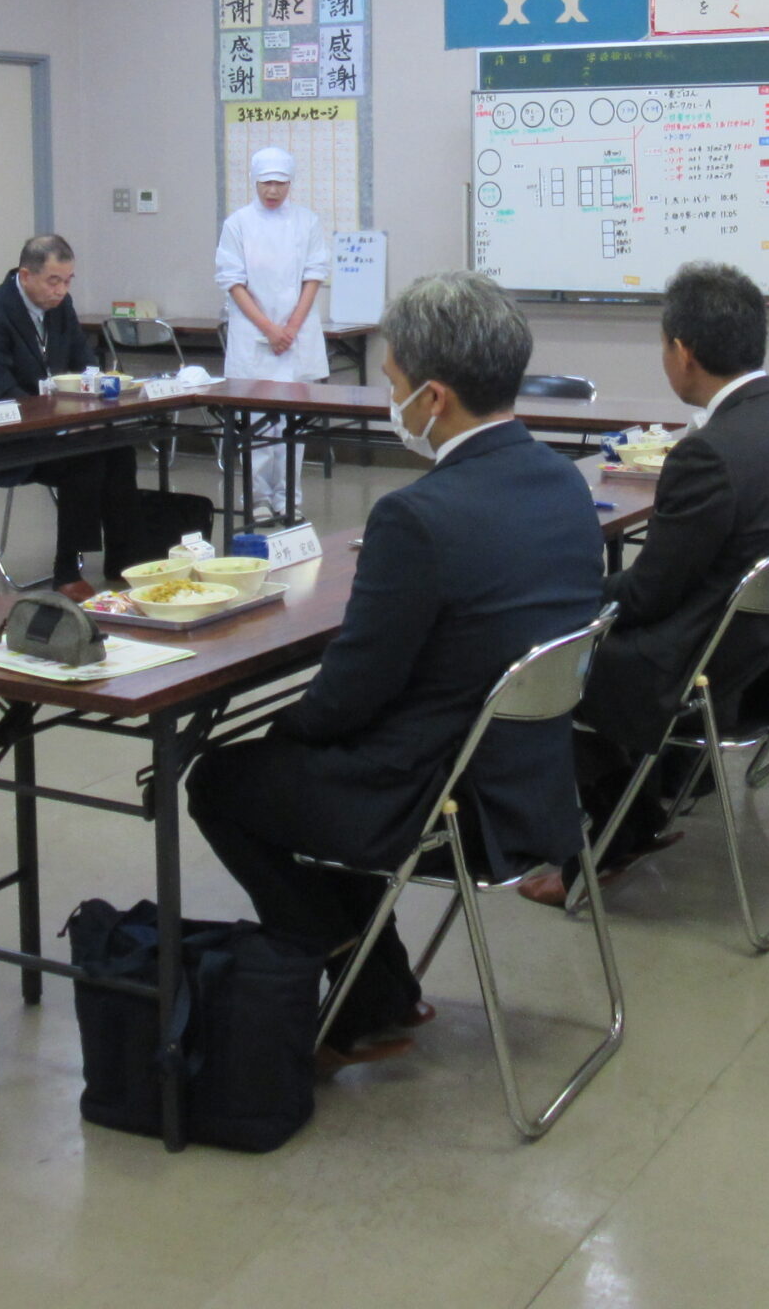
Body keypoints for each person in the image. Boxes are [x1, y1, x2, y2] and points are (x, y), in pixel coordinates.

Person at [187, 270, 601, 1071]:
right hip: (536, 781)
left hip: (443, 797)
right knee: (313, 768)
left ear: (434, 397)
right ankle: (375, 989)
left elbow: (352, 691)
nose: (392, 400)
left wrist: (283, 728)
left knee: (222, 780)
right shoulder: (563, 482)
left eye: (393, 382)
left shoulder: (416, 516)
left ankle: (356, 984)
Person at [531, 261, 769, 900]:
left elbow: (648, 594)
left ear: (683, 351)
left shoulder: (708, 452)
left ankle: (607, 842)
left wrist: (569, 601)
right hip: (767, 651)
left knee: (547, 652)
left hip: (703, 663)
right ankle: (644, 806)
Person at [0, 233, 150, 590]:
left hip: (58, 429)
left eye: (67, 281)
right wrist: (59, 424)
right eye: (53, 281)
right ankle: (67, 571)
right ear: (25, 275)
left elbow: (84, 364)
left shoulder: (61, 307)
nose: (61, 290)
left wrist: (93, 395)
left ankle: (124, 561)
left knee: (119, 451)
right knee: (84, 460)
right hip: (6, 438)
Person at [215, 145, 330, 522]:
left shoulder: (307, 222)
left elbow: (314, 275)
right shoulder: (238, 224)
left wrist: (291, 328)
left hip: (296, 338)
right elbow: (233, 281)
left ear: (290, 183)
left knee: (293, 423)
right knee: (256, 421)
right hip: (254, 336)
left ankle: (288, 497)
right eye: (266, 182)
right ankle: (258, 497)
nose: (273, 190)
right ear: (254, 181)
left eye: (280, 183)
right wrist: (269, 328)